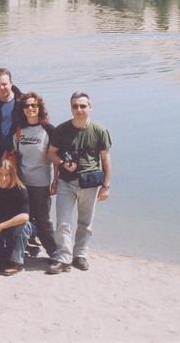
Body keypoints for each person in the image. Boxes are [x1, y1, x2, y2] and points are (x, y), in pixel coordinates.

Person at [46, 92, 112, 274]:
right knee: (63, 222)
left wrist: (106, 186)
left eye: (83, 106)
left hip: (90, 183)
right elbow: (51, 154)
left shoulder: (99, 130)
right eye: (75, 106)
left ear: (90, 107)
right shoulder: (61, 130)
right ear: (71, 108)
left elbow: (106, 159)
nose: (79, 110)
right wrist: (61, 167)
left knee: (85, 222)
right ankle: (63, 257)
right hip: (66, 182)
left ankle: (80, 255)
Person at [10, 92, 57, 258]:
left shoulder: (49, 130)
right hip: (22, 183)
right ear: (22, 109)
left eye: (34, 105)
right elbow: (15, 156)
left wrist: (56, 180)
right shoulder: (19, 130)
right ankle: (28, 246)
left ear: (39, 107)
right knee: (24, 218)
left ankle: (55, 253)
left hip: (41, 183)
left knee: (44, 221)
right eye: (26, 106)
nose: (30, 108)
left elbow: (55, 157)